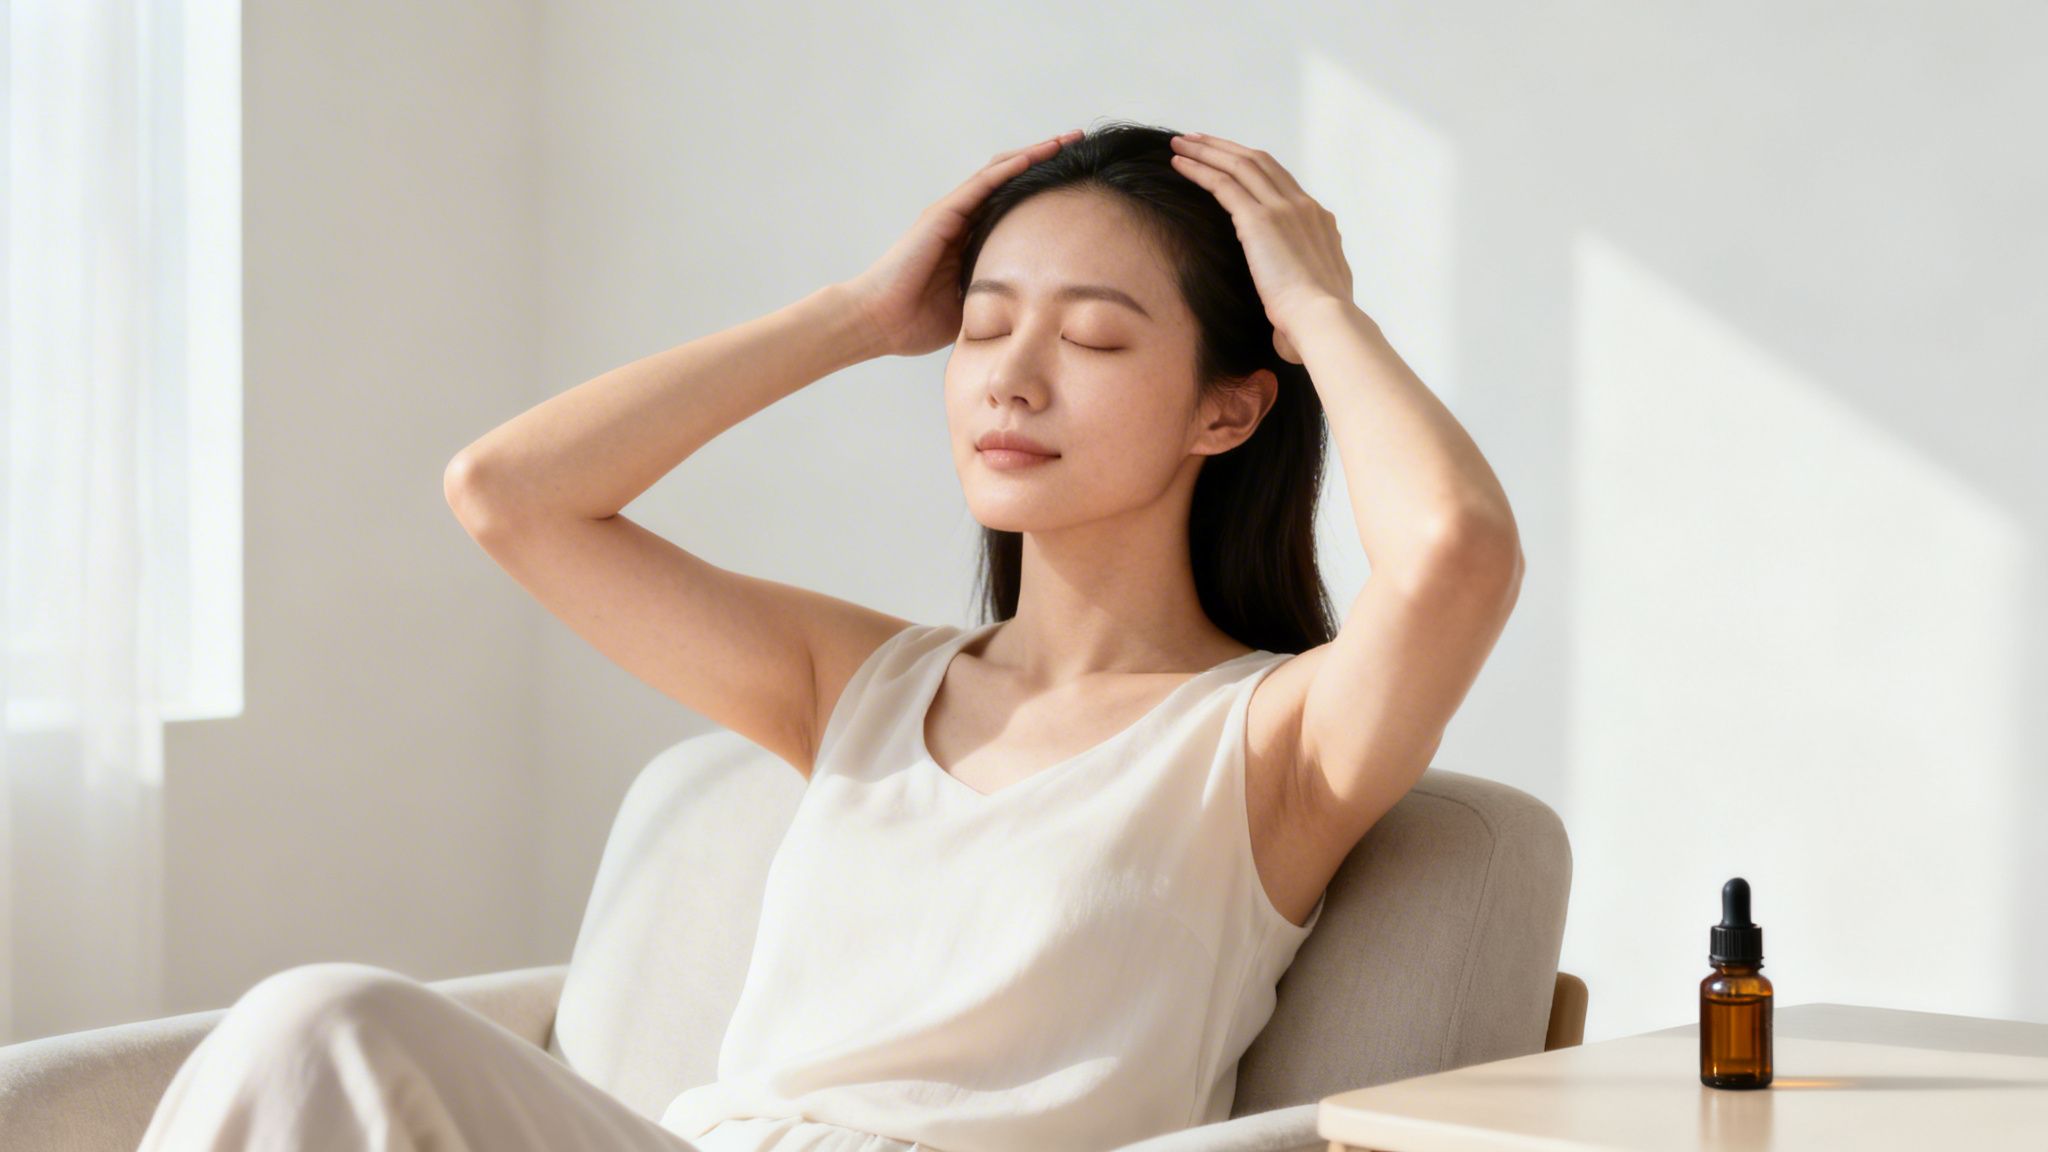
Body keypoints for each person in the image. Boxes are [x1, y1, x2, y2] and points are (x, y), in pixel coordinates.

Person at [140, 120, 1522, 1152]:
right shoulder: (860, 683)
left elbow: (1457, 552)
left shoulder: (1269, 744)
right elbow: (507, 495)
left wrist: (1322, 309)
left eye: (1094, 343)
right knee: (319, 1026)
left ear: (1228, 410)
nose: (1013, 380)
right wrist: (858, 317)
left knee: (322, 1022)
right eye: (982, 328)